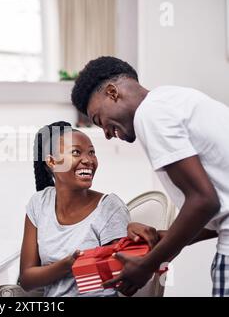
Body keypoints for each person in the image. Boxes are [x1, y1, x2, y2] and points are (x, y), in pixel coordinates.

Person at [71, 56, 229, 297]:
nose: (106, 134)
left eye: (99, 120)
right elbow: (220, 212)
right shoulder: (174, 99)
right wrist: (163, 239)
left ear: (112, 93)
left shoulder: (151, 113)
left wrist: (149, 264)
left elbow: (204, 201)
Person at [20, 121, 135, 297]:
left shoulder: (109, 208)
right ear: (51, 161)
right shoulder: (39, 203)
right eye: (76, 152)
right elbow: (27, 280)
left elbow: (124, 279)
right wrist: (68, 264)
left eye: (92, 152)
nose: (88, 160)